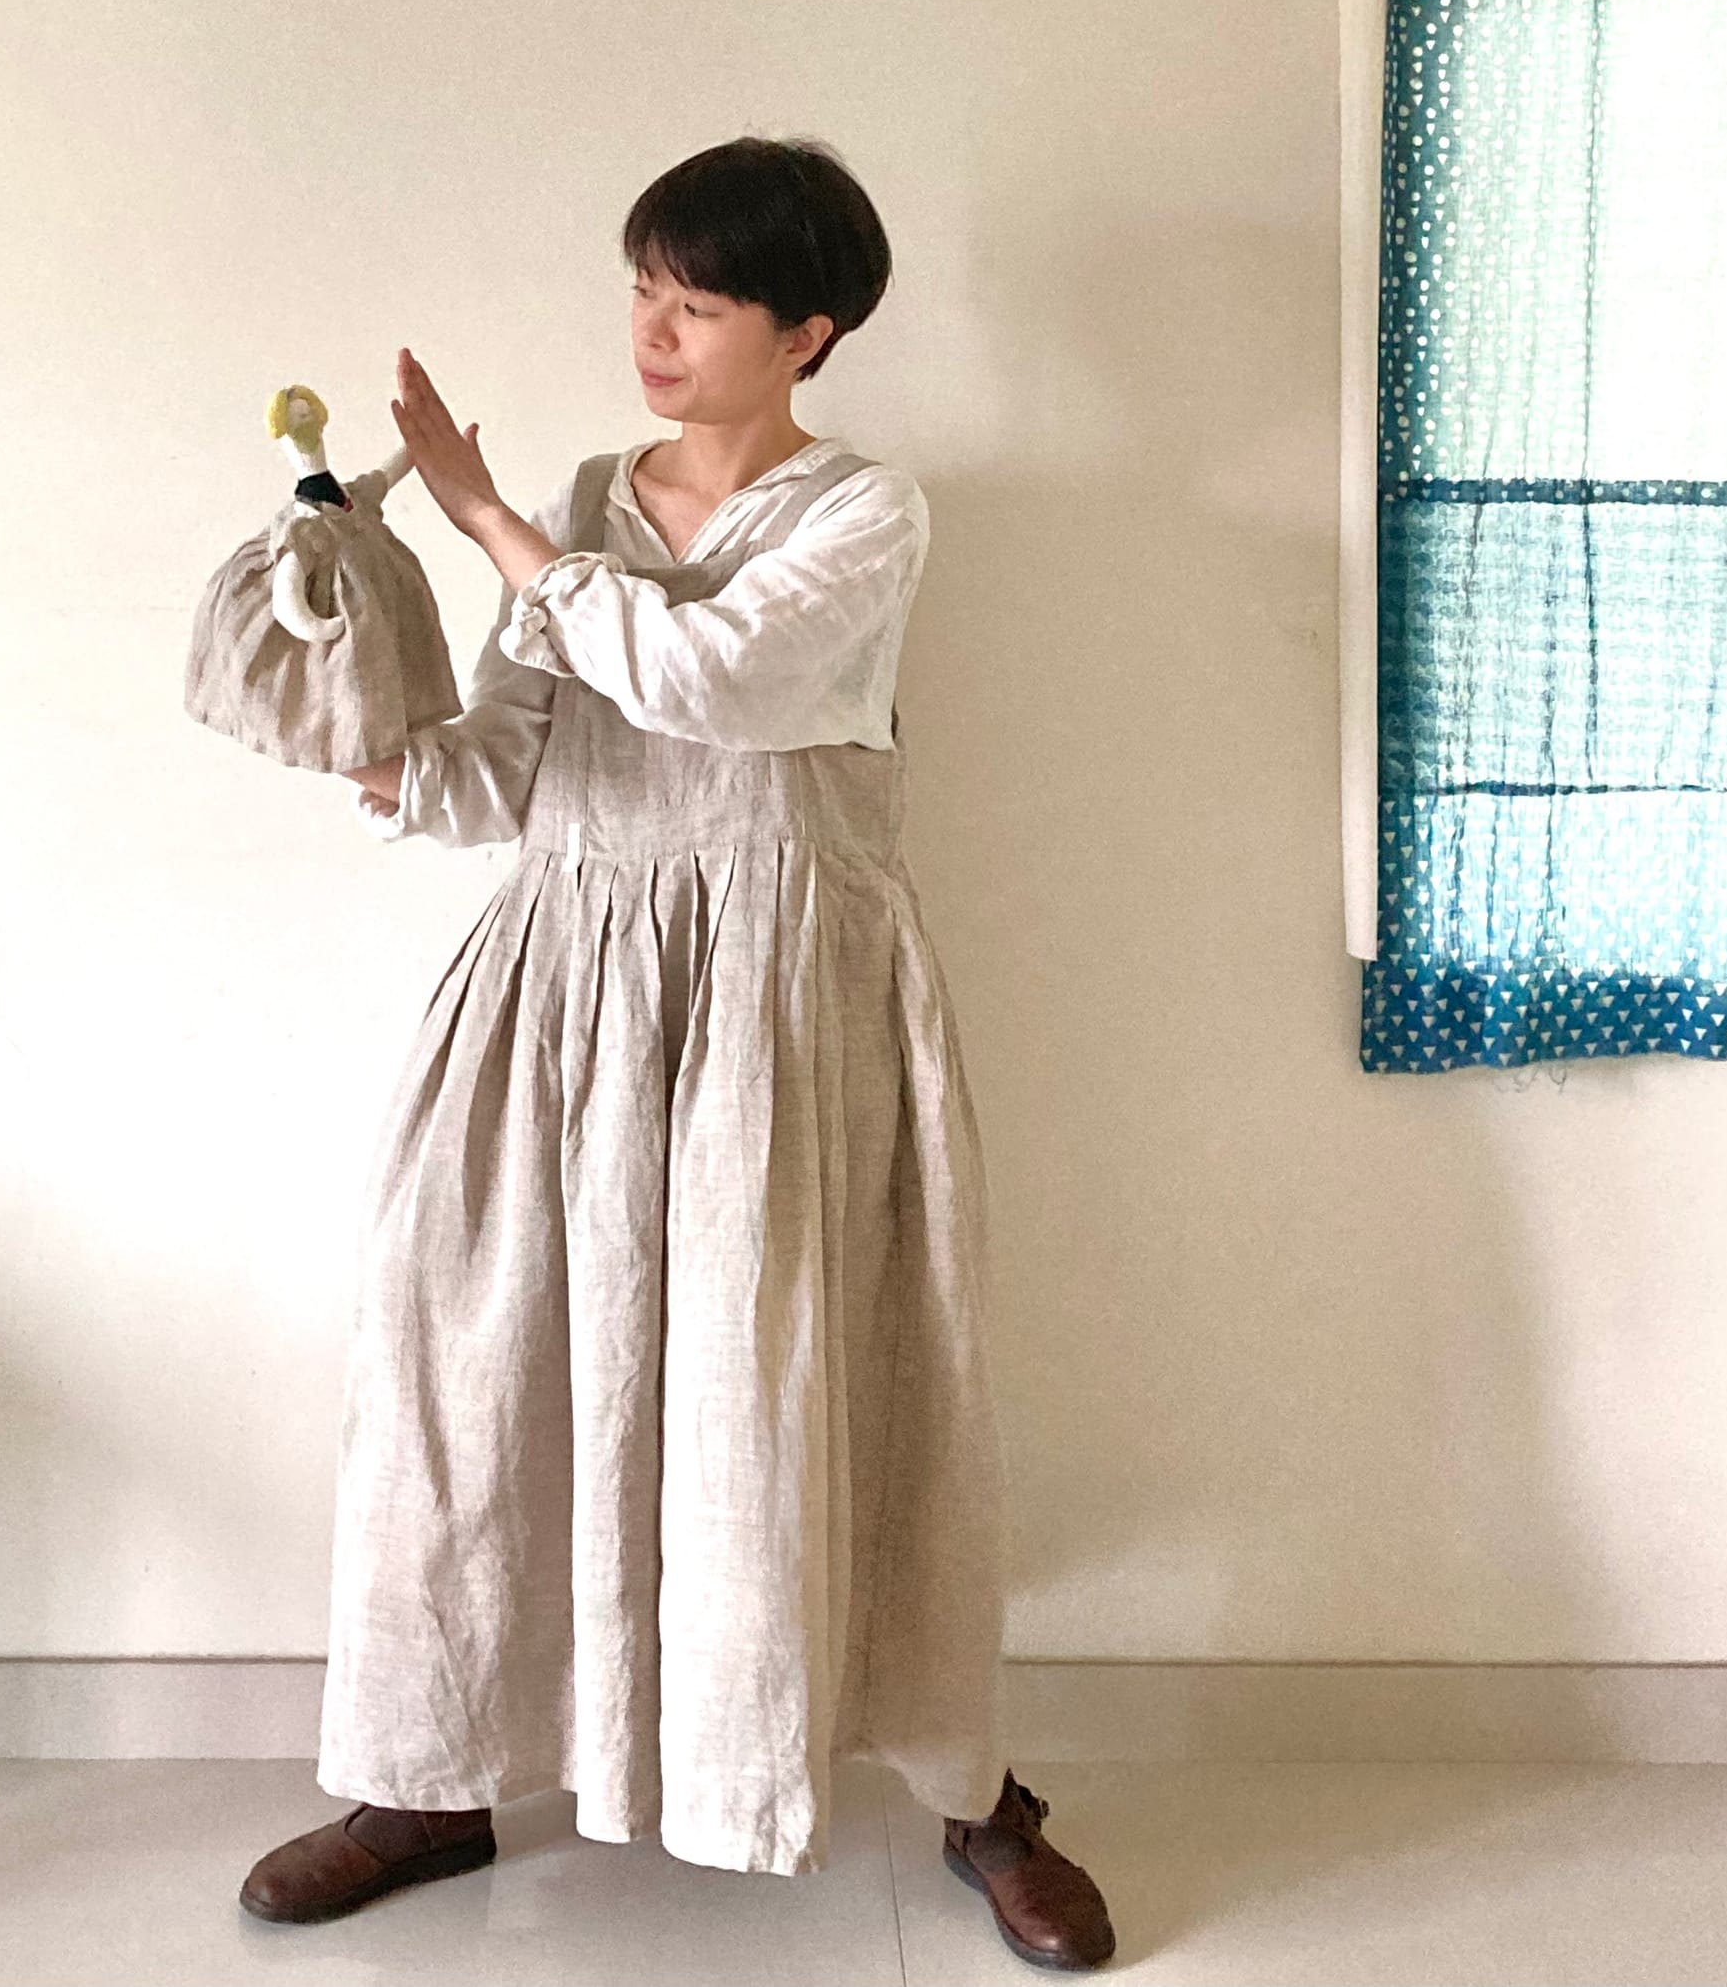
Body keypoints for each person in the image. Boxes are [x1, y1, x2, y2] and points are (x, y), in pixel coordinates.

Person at [238, 136, 1115, 1969]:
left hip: (779, 1011)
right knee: (472, 1375)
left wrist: (493, 527)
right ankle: (429, 1773)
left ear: (807, 333)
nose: (652, 329)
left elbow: (713, 682)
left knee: (814, 1399)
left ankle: (973, 1787)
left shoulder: (866, 517)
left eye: (697, 302)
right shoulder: (586, 500)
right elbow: (519, 756)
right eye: (643, 287)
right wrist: (374, 744)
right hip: (563, 992)